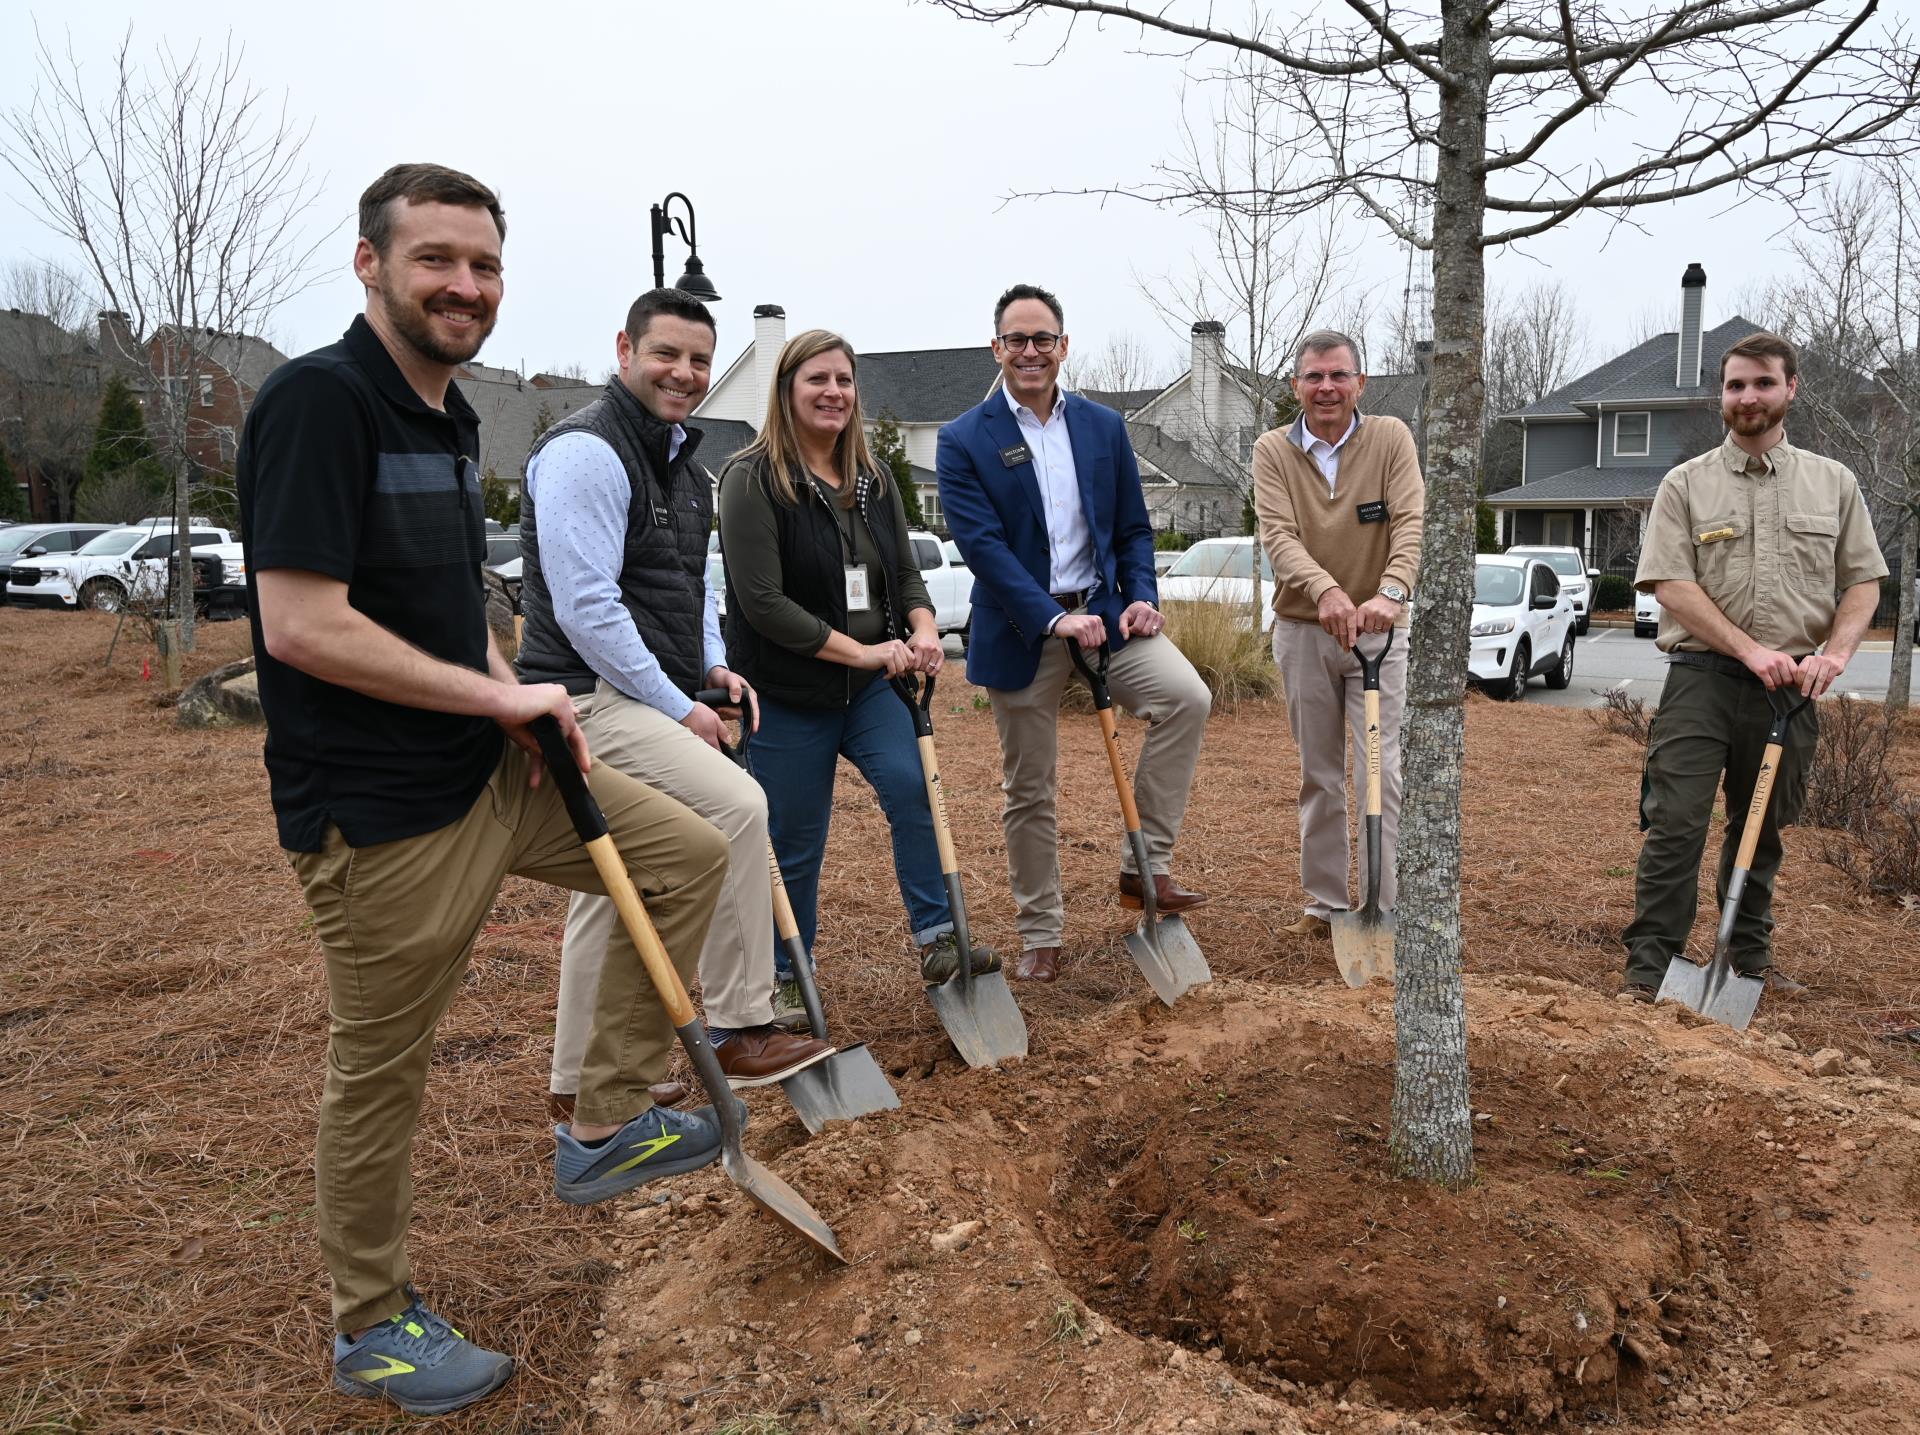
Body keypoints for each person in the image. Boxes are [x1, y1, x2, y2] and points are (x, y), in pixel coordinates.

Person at [240, 164, 731, 1417]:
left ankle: (602, 1123)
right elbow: (301, 626)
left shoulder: (452, 415)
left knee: (687, 852)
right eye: (437, 260)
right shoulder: (317, 403)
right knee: (383, 1067)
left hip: (490, 771)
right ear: (370, 265)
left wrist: (521, 697)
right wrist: (495, 700)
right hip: (381, 813)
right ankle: (372, 1324)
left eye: (485, 266)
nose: (465, 286)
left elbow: (460, 612)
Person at [518, 288, 834, 1107]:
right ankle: (738, 1023)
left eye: (699, 360)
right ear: (624, 348)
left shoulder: (685, 469)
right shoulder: (587, 451)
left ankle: (579, 1081)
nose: (685, 373)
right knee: (735, 806)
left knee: (613, 883)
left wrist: (716, 668)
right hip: (583, 700)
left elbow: (689, 591)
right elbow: (587, 605)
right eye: (667, 354)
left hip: (634, 694)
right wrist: (675, 704)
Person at [938, 284, 1212, 984]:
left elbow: (1132, 529)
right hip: (1022, 627)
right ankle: (1041, 931)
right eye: (1017, 339)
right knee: (1030, 787)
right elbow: (984, 547)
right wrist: (1051, 616)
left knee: (1186, 696)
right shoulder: (964, 439)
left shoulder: (1101, 427)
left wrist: (1141, 598)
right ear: (996, 348)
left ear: (1064, 346)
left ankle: (1142, 868)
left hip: (1106, 618)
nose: (1031, 351)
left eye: (1044, 339)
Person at [717, 329, 994, 989]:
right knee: (795, 838)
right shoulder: (751, 478)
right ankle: (786, 975)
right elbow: (763, 603)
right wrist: (866, 651)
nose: (833, 392)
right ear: (787, 390)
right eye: (817, 379)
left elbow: (904, 575)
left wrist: (924, 628)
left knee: (913, 788)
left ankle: (940, 941)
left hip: (870, 690)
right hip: (785, 691)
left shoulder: (872, 481)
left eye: (843, 380)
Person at [1620, 331, 1885, 1000]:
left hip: (1790, 691)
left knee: (1763, 829)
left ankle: (1746, 963)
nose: (1747, 397)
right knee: (1674, 822)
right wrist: (1747, 648)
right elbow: (1670, 582)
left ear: (1790, 388)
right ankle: (1651, 966)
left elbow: (1862, 581)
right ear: (1722, 395)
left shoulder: (1834, 483)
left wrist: (1835, 653)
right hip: (1702, 680)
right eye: (1735, 385)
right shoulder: (1687, 484)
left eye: (1763, 383)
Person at [1251, 329, 1424, 939]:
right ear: (1297, 386)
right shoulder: (1273, 450)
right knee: (1320, 775)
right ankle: (1326, 904)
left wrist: (1392, 593)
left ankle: (1381, 904)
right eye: (1314, 377)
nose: (1327, 388)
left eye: (1339, 376)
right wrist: (1326, 592)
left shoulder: (1390, 438)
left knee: (1382, 770)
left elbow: (1409, 521)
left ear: (1360, 383)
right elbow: (1279, 535)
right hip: (1305, 634)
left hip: (1379, 634)